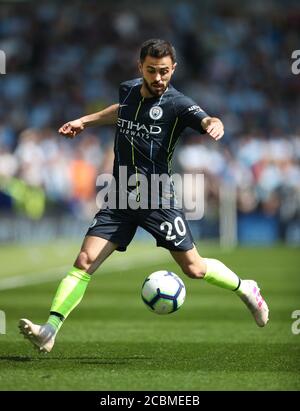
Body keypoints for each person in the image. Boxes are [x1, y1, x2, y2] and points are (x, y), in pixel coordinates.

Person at [19, 39, 269, 353]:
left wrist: (213, 123)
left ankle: (246, 288)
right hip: (120, 196)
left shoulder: (179, 104)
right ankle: (50, 330)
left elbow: (205, 119)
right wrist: (85, 121)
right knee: (84, 262)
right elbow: (121, 110)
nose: (158, 78)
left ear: (174, 69)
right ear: (141, 68)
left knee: (194, 269)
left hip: (157, 200)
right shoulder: (128, 89)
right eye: (151, 71)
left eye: (164, 71)